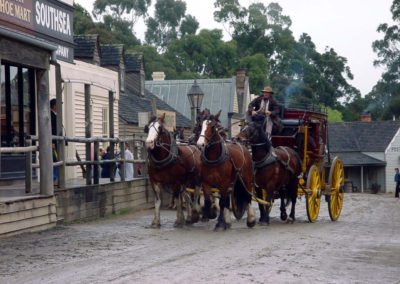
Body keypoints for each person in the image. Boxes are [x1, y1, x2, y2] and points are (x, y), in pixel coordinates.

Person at [50, 98, 58, 183]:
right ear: (54, 106)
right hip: (54, 142)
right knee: (55, 159)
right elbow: (51, 129)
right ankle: (54, 178)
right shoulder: (50, 115)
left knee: (57, 159)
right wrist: (52, 141)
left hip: (57, 141)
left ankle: (55, 178)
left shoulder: (55, 114)